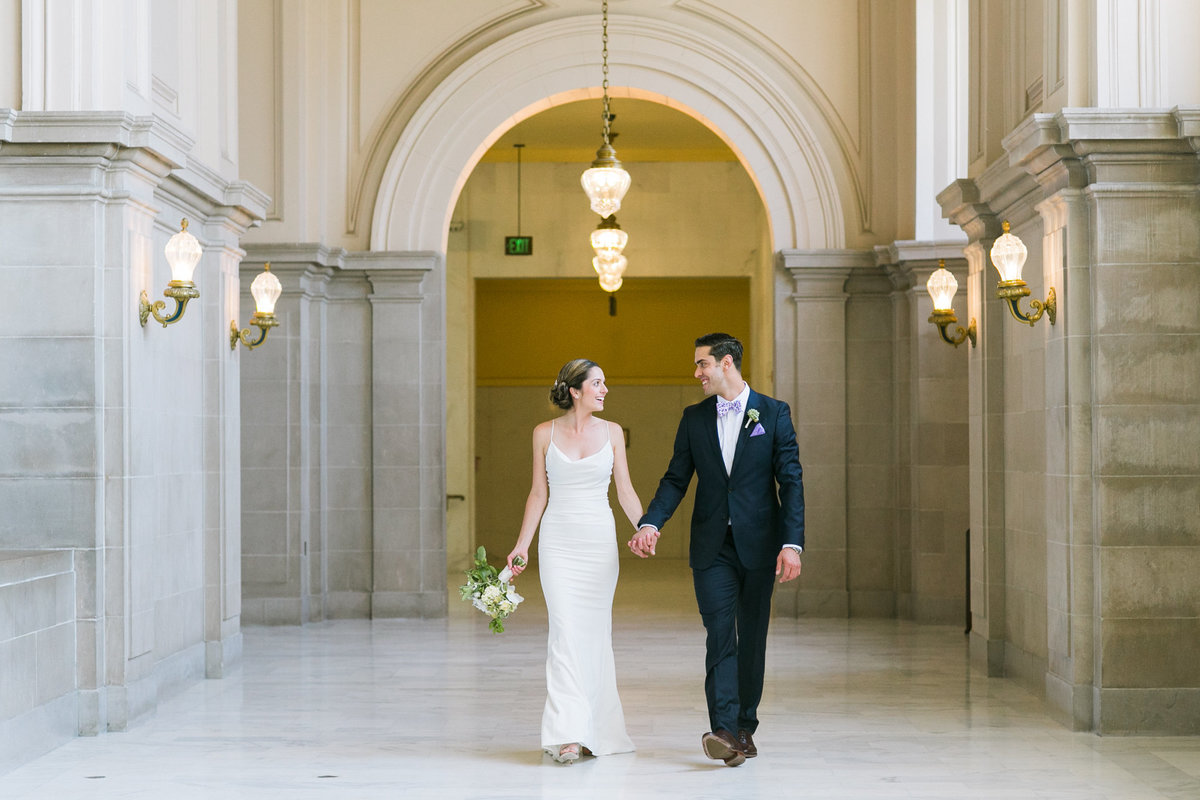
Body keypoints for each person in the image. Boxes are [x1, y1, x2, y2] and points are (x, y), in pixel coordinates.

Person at [628, 333, 804, 768]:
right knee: (720, 634)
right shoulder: (693, 418)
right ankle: (724, 729)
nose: (697, 373)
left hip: (761, 545)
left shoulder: (774, 413)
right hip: (711, 547)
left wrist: (791, 543)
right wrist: (651, 521)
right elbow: (675, 479)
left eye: (702, 364)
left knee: (752, 638)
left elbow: (791, 481)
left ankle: (746, 727)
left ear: (727, 363)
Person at [506, 358, 644, 764]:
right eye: (598, 383)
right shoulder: (543, 433)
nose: (605, 390)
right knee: (563, 635)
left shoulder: (613, 432)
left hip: (599, 544)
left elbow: (625, 491)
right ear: (575, 390)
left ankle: (594, 732)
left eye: (605, 382)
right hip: (557, 544)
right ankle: (567, 734)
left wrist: (644, 527)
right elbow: (537, 494)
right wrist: (521, 545)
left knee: (594, 636)